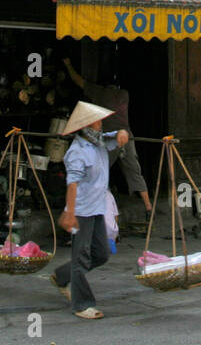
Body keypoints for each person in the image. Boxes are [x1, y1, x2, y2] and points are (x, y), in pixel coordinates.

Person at [51, 100, 131, 320]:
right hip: (81, 210)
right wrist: (70, 213)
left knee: (101, 253)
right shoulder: (77, 152)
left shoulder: (99, 142)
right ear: (86, 126)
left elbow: (117, 136)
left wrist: (122, 132)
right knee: (81, 256)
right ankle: (82, 304)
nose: (100, 124)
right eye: (96, 121)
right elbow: (73, 184)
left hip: (97, 208)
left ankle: (62, 276)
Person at [63, 57, 153, 224]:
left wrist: (68, 64)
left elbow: (78, 80)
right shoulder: (124, 94)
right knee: (135, 172)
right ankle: (148, 207)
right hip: (127, 136)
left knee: (99, 171)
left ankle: (94, 208)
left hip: (111, 137)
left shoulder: (99, 93)